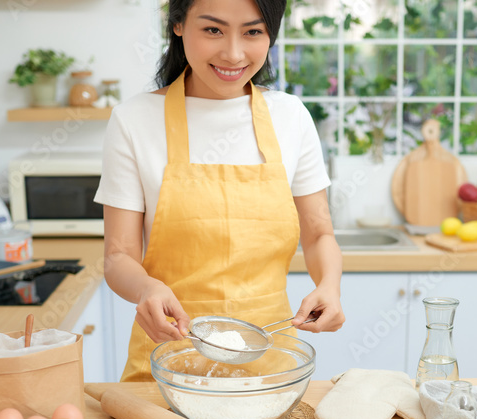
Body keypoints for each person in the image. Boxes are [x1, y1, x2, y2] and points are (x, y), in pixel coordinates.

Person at [95, 0, 344, 381]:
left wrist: (329, 285)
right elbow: (118, 257)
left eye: (253, 31)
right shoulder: (134, 120)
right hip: (169, 363)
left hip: (270, 366)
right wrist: (145, 287)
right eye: (213, 29)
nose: (233, 53)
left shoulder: (290, 116)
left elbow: (318, 233)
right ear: (178, 24)